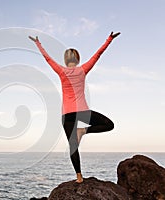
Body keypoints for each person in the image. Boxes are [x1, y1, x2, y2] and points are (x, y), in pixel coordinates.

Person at [29, 32, 120, 183]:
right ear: (77, 59)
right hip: (83, 112)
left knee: (73, 147)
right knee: (109, 125)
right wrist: (109, 39)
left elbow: (47, 58)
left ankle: (79, 176)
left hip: (67, 115)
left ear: (65, 59)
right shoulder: (83, 69)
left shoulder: (61, 71)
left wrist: (38, 43)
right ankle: (84, 130)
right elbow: (98, 54)